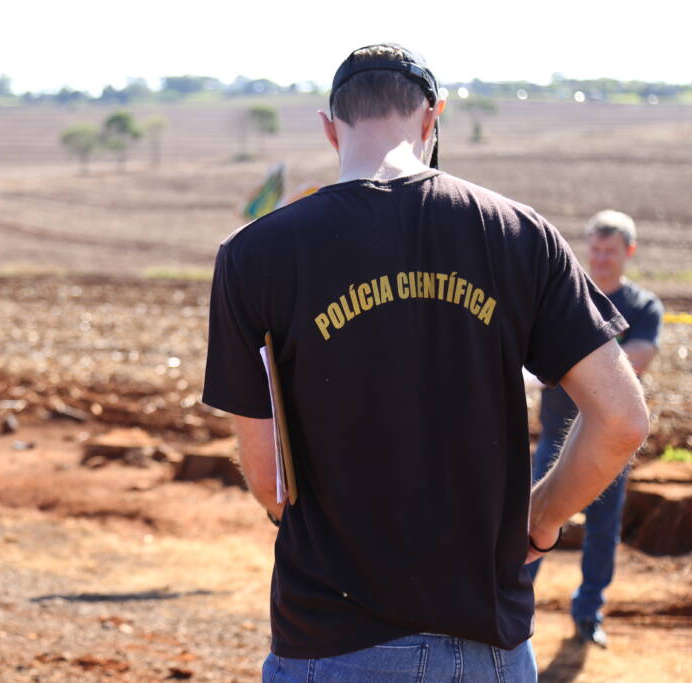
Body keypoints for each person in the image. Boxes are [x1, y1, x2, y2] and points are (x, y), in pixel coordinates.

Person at [202, 43, 649, 682]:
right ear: (432, 117)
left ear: (329, 127)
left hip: (332, 641)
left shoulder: (254, 254)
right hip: (490, 644)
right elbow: (623, 420)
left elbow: (273, 481)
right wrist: (541, 518)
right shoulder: (519, 234)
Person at [527, 210, 663, 648]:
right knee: (531, 517)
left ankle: (589, 611)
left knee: (603, 529)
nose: (601, 259)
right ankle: (513, 601)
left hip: (607, 440)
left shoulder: (642, 307)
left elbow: (637, 359)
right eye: (596, 250)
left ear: (629, 252)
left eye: (611, 251)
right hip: (555, 437)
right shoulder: (567, 296)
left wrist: (561, 364)